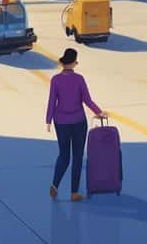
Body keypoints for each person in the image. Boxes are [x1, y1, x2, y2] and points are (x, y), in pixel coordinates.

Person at [46, 47, 105, 201]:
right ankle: (74, 192)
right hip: (78, 122)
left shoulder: (55, 80)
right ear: (74, 63)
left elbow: (52, 101)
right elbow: (87, 100)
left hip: (61, 122)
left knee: (64, 155)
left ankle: (55, 184)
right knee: (77, 156)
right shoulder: (79, 79)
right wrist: (99, 112)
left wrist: (48, 120)